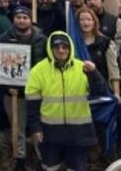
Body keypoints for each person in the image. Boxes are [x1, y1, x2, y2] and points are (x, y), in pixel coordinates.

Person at [25, 31, 108, 171]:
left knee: (77, 168)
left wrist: (94, 73)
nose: (61, 50)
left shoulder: (83, 67)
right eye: (56, 47)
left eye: (65, 46)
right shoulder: (38, 71)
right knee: (50, 168)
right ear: (50, 49)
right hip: (50, 133)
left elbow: (101, 91)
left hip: (78, 133)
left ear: (70, 48)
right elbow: (32, 104)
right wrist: (35, 128)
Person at [0, 5, 47, 171]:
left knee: (40, 126)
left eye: (25, 17)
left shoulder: (42, 39)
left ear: (30, 20)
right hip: (14, 94)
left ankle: (44, 159)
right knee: (18, 129)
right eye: (19, 17)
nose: (22, 20)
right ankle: (20, 160)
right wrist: (6, 88)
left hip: (38, 92)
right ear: (13, 19)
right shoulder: (3, 39)